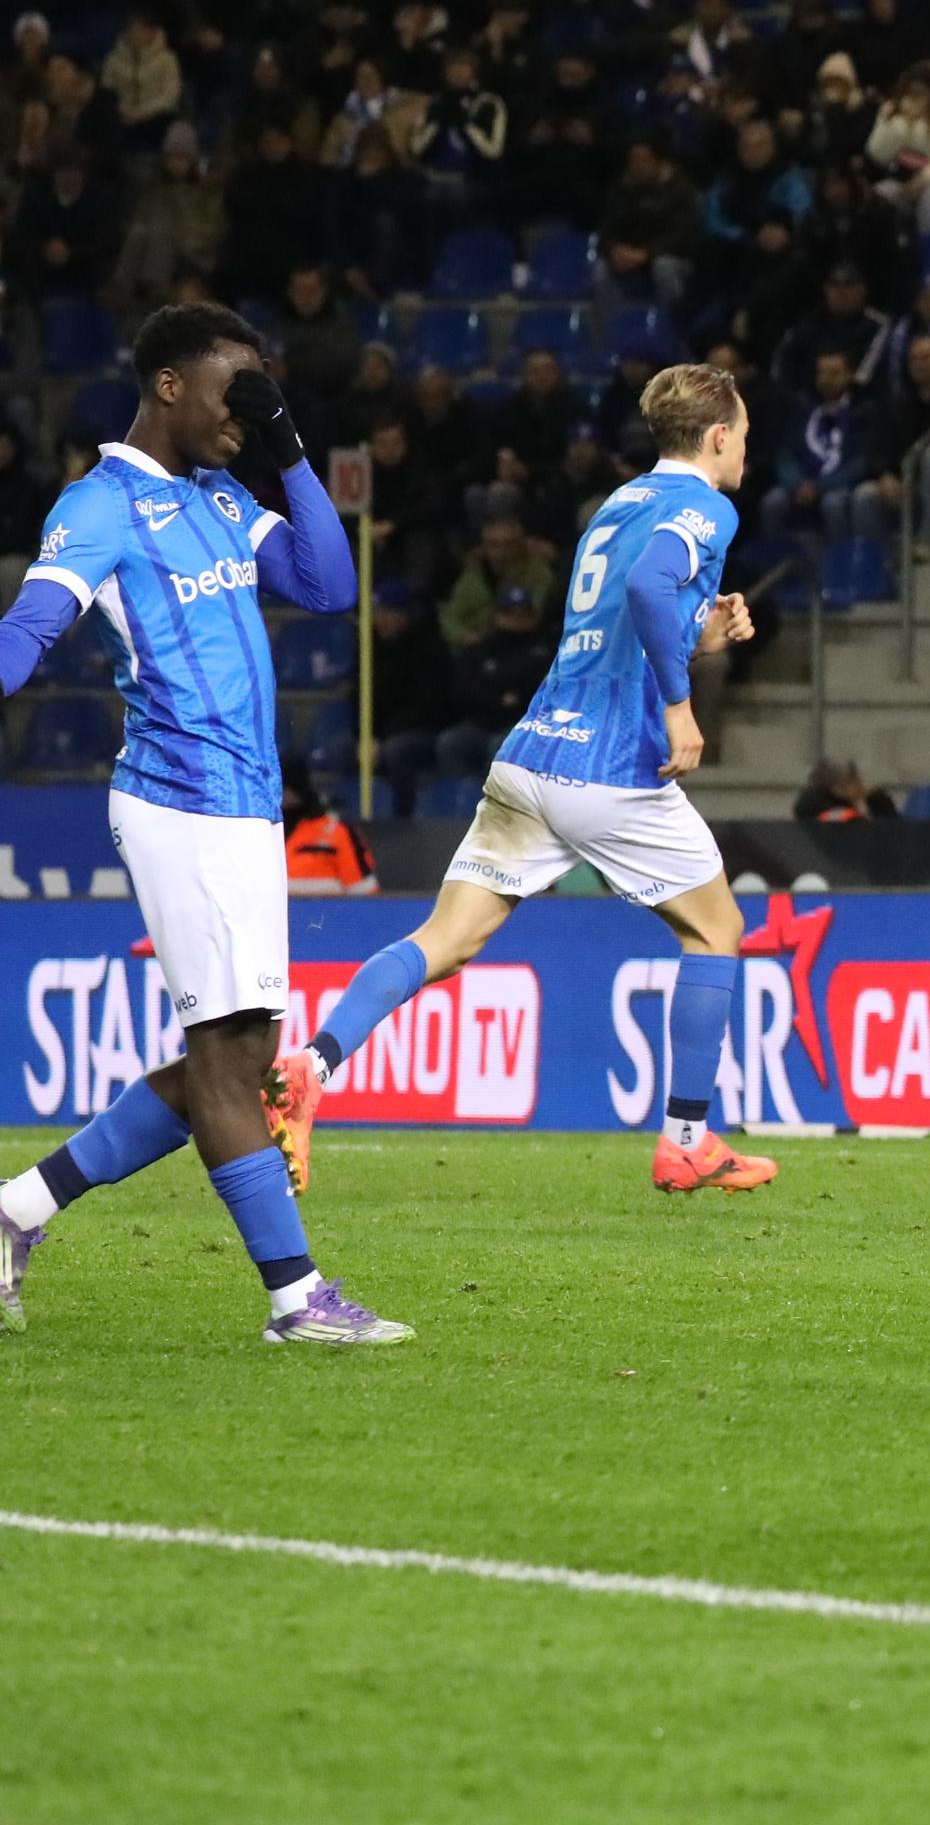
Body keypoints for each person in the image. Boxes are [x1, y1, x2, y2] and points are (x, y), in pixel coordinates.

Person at [0, 305, 405, 1344]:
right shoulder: (101, 507)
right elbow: (32, 627)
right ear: (170, 385)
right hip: (179, 798)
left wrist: (288, 449)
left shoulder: (224, 494)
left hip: (243, 807)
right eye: (238, 392)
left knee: (236, 1060)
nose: (249, 412)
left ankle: (15, 1212)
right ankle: (295, 1299)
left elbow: (328, 584)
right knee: (232, 1064)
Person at [271, 365, 769, 1200]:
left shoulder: (614, 506)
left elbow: (623, 616)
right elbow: (651, 587)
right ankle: (685, 1141)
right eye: (745, 434)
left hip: (530, 755)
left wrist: (700, 636)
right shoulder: (711, 507)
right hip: (608, 768)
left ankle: (310, 1065)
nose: (747, 449)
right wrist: (682, 708)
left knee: (445, 940)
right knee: (716, 930)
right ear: (718, 436)